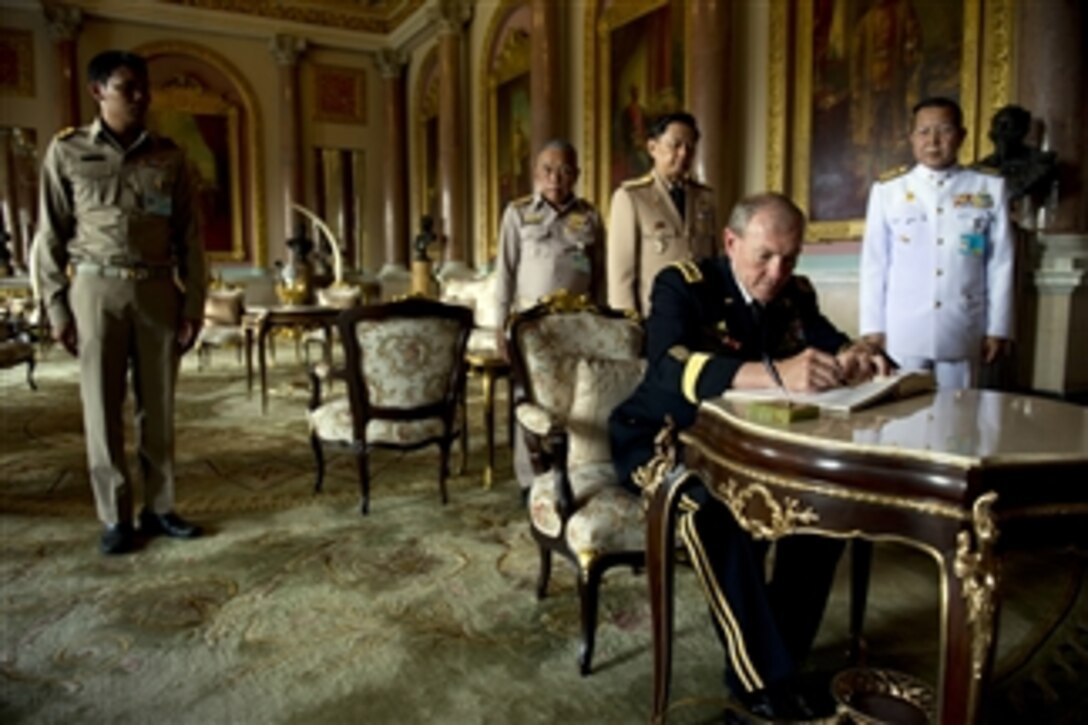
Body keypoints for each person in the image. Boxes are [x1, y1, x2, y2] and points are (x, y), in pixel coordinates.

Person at [610, 192, 891, 720]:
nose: (777, 271)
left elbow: (829, 341)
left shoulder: (793, 292)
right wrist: (777, 374)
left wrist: (853, 353)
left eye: (790, 257)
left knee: (824, 520)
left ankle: (774, 656)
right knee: (715, 519)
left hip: (750, 449)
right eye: (764, 256)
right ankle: (764, 688)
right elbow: (669, 368)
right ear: (731, 242)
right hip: (662, 437)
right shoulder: (684, 285)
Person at [32, 50, 206, 555]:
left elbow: (190, 239)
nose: (140, 96)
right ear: (97, 92)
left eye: (142, 87)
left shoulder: (170, 157)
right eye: (127, 87)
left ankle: (161, 507)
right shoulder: (67, 152)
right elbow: (49, 238)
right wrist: (58, 308)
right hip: (94, 289)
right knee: (101, 407)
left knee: (160, 407)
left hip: (156, 289)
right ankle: (116, 516)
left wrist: (193, 305)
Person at [859, 96, 1014, 389]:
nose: (933, 141)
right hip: (903, 329)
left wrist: (998, 328)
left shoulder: (989, 187)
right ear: (911, 137)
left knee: (961, 420)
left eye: (944, 130)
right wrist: (872, 328)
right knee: (902, 417)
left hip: (963, 325)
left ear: (961, 136)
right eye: (924, 131)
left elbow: (1000, 263)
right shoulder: (888, 190)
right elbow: (874, 263)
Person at [495, 139, 604, 494]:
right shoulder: (518, 212)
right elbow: (505, 274)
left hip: (579, 326)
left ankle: (570, 470)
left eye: (565, 170)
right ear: (536, 173)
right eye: (548, 169)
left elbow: (599, 272)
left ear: (576, 174)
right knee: (529, 398)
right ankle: (530, 480)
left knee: (575, 399)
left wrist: (605, 320)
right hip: (531, 326)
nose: (556, 177)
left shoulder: (589, 215)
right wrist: (501, 326)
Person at [607, 111, 717, 318]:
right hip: (656, 316)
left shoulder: (705, 198)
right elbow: (621, 276)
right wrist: (629, 324)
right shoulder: (631, 198)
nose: (683, 153)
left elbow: (712, 260)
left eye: (690, 147)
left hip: (699, 315)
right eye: (675, 145)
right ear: (652, 148)